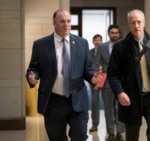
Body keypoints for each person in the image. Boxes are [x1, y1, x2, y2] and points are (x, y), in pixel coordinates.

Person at [26, 9, 101, 141]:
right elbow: (34, 67)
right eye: (62, 21)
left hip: (77, 99)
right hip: (54, 101)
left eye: (68, 21)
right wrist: (32, 76)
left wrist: (92, 77)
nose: (66, 24)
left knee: (80, 136)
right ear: (54, 23)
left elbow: (87, 68)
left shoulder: (82, 43)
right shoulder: (41, 45)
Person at [107, 9, 150, 141]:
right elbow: (112, 74)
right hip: (131, 98)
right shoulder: (120, 47)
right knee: (132, 136)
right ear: (129, 24)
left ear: (144, 23)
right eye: (133, 22)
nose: (136, 25)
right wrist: (120, 93)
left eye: (138, 22)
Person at [95, 24, 125, 141]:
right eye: (112, 33)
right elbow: (96, 63)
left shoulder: (124, 46)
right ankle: (111, 132)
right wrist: (96, 78)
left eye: (116, 33)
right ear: (109, 34)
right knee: (108, 109)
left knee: (120, 108)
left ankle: (120, 132)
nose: (114, 35)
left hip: (121, 82)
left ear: (119, 34)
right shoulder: (102, 47)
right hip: (106, 82)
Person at [89, 34, 103, 132]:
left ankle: (114, 124)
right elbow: (88, 66)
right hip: (94, 79)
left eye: (99, 40)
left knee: (111, 103)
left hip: (106, 78)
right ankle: (94, 124)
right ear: (93, 42)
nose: (97, 41)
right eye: (95, 40)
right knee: (95, 103)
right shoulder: (89, 52)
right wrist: (91, 79)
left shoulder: (106, 51)